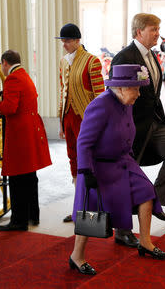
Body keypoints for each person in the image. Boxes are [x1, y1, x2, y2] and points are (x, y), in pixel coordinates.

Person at [69, 64, 165, 275]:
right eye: (136, 88)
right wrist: (86, 171)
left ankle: (145, 242)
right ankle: (76, 257)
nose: (139, 94)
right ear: (122, 88)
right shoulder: (100, 106)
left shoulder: (126, 102)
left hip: (123, 162)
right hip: (99, 167)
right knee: (91, 210)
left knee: (146, 192)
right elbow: (84, 142)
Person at [110, 13, 165, 248]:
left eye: (158, 29)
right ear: (138, 32)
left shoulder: (152, 55)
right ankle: (122, 230)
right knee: (126, 177)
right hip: (131, 126)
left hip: (154, 122)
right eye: (153, 29)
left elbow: (153, 93)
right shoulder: (124, 57)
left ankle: (154, 202)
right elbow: (116, 96)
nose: (158, 33)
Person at [0, 50, 52, 231]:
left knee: (17, 178)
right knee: (29, 176)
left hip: (20, 133)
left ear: (5, 63)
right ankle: (33, 216)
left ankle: (18, 221)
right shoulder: (24, 75)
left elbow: (10, 107)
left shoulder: (12, 79)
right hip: (31, 130)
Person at [55, 23, 105, 223]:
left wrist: (100, 124)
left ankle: (93, 209)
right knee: (73, 161)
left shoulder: (92, 61)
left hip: (86, 119)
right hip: (69, 118)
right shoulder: (63, 62)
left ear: (77, 40)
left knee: (89, 164)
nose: (64, 44)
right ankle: (79, 206)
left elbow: (100, 95)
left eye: (67, 40)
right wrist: (60, 122)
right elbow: (63, 92)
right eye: (63, 41)